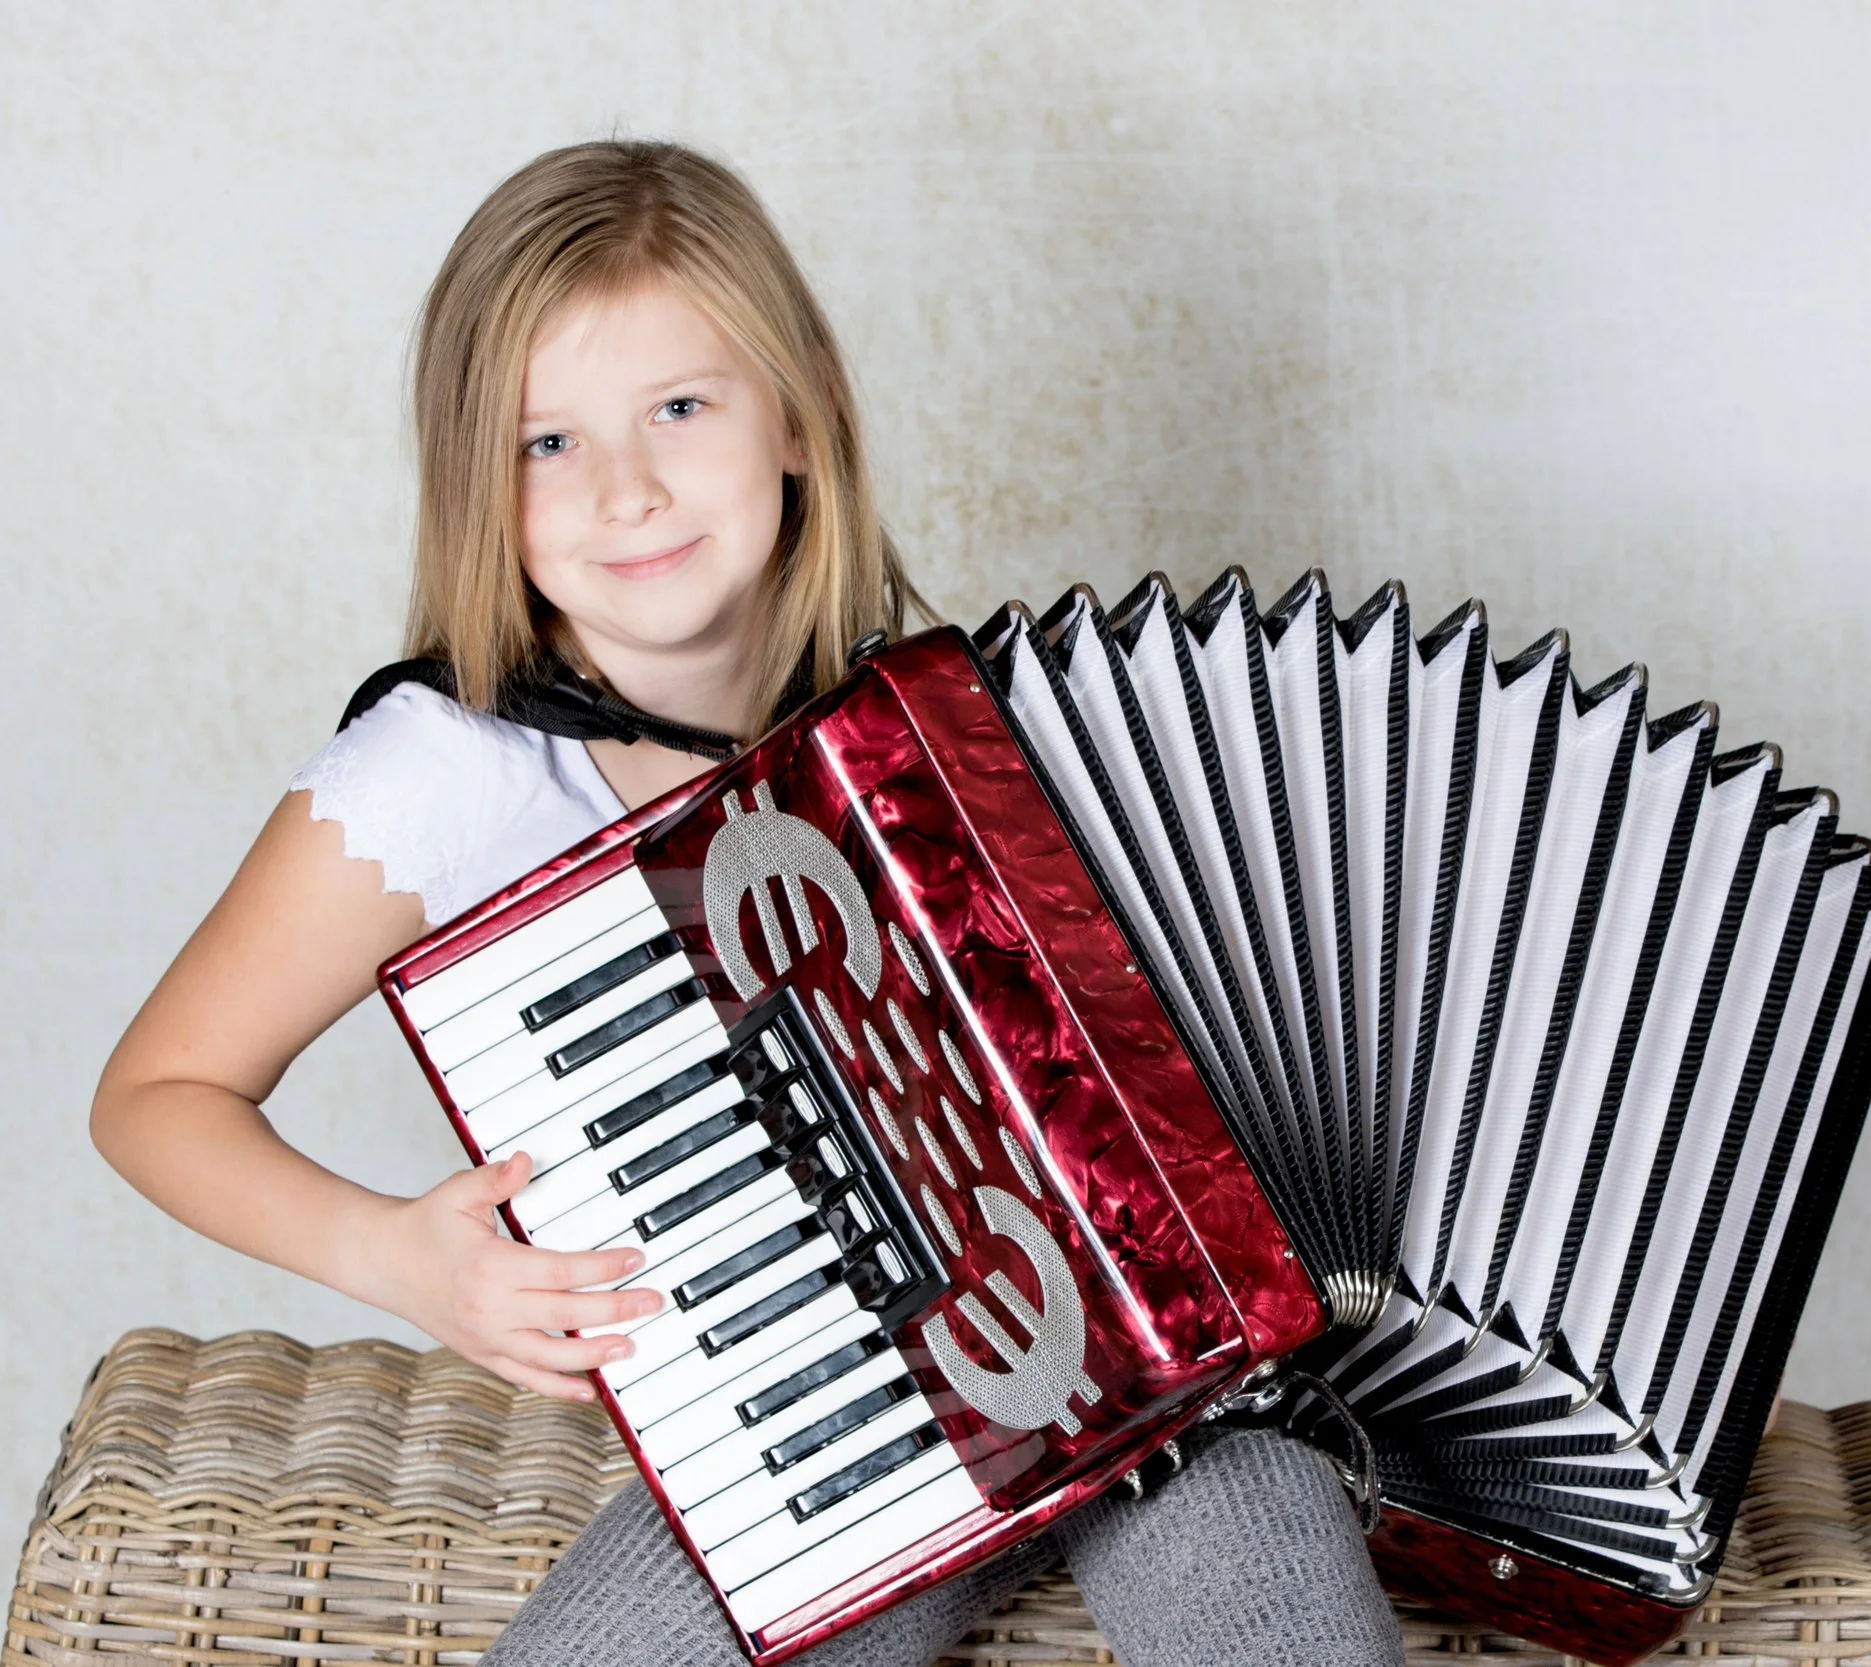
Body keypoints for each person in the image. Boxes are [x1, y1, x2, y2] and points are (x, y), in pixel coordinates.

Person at [90, 139, 1405, 1667]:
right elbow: (154, 1096)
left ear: (799, 417)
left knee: (1285, 1625)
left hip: (1161, 1378)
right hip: (794, 1420)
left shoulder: (947, 734)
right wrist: (401, 1256)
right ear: (475, 484)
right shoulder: (446, 770)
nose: (626, 488)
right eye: (546, 442)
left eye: (679, 407)